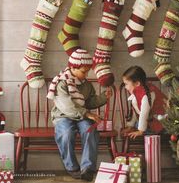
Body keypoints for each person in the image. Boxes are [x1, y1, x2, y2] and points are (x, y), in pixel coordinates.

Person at [47, 48, 112, 181]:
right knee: (66, 133)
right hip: (63, 116)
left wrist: (103, 98)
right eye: (84, 71)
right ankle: (71, 167)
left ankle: (88, 168)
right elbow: (67, 106)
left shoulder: (86, 84)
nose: (86, 75)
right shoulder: (61, 83)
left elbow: (89, 101)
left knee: (90, 130)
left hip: (82, 116)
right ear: (72, 67)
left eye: (88, 71)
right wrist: (87, 114)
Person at [121, 66, 167, 139]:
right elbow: (135, 111)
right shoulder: (138, 92)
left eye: (126, 84)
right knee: (136, 124)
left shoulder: (147, 94)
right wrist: (130, 125)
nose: (125, 87)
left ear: (137, 83)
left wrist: (140, 131)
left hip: (162, 124)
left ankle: (146, 132)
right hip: (150, 120)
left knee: (138, 125)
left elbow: (144, 113)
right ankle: (137, 127)